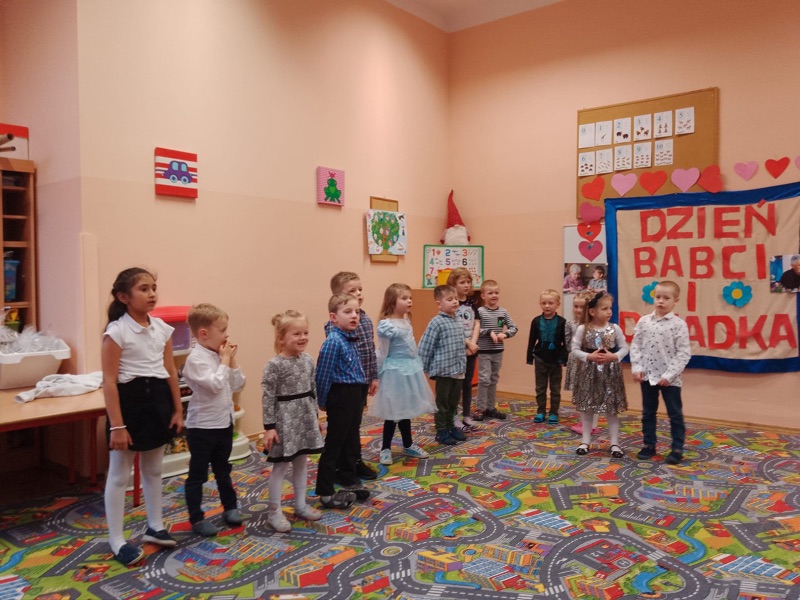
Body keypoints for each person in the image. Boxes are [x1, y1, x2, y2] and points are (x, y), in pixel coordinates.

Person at [101, 267, 183, 566]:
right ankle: (116, 540)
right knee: (119, 474)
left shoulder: (162, 329)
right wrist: (117, 426)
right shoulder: (117, 331)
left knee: (153, 469)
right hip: (129, 405)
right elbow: (110, 381)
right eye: (144, 289)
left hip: (157, 402)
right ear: (124, 297)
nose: (152, 294)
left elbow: (170, 370)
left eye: (153, 288)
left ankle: (155, 526)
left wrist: (177, 409)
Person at [182, 303, 246, 537]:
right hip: (202, 428)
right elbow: (215, 385)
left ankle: (230, 507)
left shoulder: (220, 355)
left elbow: (238, 384)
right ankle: (197, 518)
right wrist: (224, 360)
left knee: (223, 470)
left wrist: (231, 360)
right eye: (222, 330)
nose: (227, 334)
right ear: (204, 334)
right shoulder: (195, 360)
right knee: (198, 475)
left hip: (223, 423)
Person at [262, 310, 326, 531]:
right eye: (296, 333)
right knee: (280, 467)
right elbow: (268, 397)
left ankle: (300, 504)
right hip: (284, 421)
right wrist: (269, 427)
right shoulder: (274, 365)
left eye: (305, 333)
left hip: (304, 417)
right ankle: (274, 512)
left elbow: (312, 390)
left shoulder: (308, 360)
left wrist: (315, 417)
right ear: (281, 338)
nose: (303, 337)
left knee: (302, 463)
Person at [368, 284, 436, 465]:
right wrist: (376, 375)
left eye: (410, 297)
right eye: (404, 298)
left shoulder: (406, 320)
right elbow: (382, 352)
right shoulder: (387, 325)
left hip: (410, 370)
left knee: (405, 409)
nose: (409, 301)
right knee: (393, 412)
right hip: (394, 373)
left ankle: (408, 444)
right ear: (392, 302)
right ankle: (385, 448)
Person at [315, 293, 371, 508]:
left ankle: (348, 478)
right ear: (333, 317)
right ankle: (325, 490)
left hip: (354, 393)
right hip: (341, 396)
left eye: (356, 311)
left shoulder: (350, 337)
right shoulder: (333, 342)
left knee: (350, 439)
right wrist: (322, 401)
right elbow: (323, 374)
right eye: (347, 312)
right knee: (335, 443)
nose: (354, 315)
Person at [630, 281, 692, 465]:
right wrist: (637, 368)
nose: (661, 301)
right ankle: (649, 445)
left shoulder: (679, 325)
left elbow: (683, 353)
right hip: (648, 376)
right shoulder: (644, 321)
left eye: (666, 298)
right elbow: (636, 346)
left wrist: (669, 375)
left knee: (675, 414)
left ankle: (677, 448)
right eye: (658, 297)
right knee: (648, 412)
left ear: (675, 301)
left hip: (669, 380)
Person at [327, 272, 378, 481]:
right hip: (345, 385)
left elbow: (370, 351)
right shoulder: (334, 326)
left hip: (362, 382)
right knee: (344, 428)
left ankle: (354, 461)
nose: (358, 293)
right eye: (352, 291)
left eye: (360, 289)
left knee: (355, 424)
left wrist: (373, 377)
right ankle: (343, 466)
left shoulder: (365, 319)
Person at [570, 292, 628, 458]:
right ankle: (585, 441)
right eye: (604, 308)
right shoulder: (583, 329)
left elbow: (625, 348)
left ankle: (615, 443)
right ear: (592, 311)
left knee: (611, 410)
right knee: (588, 408)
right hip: (589, 373)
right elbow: (574, 350)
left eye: (610, 308)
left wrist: (614, 356)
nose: (609, 311)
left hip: (610, 374)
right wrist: (589, 356)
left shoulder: (615, 328)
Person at [418, 284, 468, 446]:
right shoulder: (436, 322)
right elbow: (426, 345)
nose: (455, 302)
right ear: (439, 304)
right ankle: (441, 431)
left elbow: (461, 342)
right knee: (442, 403)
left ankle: (450, 426)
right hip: (443, 370)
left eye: (456, 299)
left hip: (458, 369)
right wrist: (422, 368)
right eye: (450, 299)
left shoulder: (458, 320)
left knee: (453, 402)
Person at [475, 279, 518, 421]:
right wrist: (488, 332)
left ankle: (490, 407)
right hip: (484, 351)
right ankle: (480, 408)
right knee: (484, 379)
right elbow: (474, 329)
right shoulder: (480, 311)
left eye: (496, 292)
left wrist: (505, 334)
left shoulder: (503, 312)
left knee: (493, 379)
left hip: (498, 351)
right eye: (490, 293)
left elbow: (514, 327)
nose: (494, 295)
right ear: (483, 296)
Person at [526, 289, 568, 425]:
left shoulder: (562, 322)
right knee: (540, 387)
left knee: (555, 389)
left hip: (556, 360)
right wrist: (529, 357)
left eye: (550, 303)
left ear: (557, 304)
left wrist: (563, 359)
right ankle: (541, 411)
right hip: (540, 358)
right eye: (544, 303)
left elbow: (565, 343)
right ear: (540, 304)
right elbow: (531, 340)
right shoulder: (536, 321)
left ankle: (554, 412)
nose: (547, 306)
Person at [447, 268, 480, 432]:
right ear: (453, 284)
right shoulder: (452, 304)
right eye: (462, 282)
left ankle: (466, 415)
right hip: (457, 349)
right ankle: (453, 416)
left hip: (471, 350)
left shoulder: (472, 301)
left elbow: (477, 323)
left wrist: (473, 343)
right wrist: (467, 343)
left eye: (468, 282)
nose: (466, 285)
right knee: (455, 385)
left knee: (467, 384)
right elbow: (452, 327)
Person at [566, 291, 600, 435]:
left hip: (591, 363)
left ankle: (592, 424)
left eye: (582, 307)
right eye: (576, 306)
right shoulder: (571, 324)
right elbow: (568, 343)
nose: (578, 310)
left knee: (592, 394)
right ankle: (584, 421)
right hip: (576, 363)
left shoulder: (595, 326)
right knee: (580, 394)